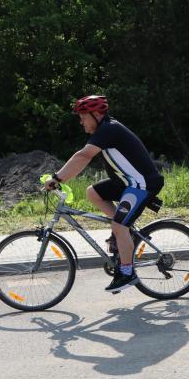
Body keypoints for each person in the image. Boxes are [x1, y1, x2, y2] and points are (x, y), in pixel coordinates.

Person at [45, 95, 165, 293]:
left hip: (142, 184)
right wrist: (60, 178)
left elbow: (83, 156)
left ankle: (127, 273)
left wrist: (57, 178)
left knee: (119, 225)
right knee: (92, 193)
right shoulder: (103, 130)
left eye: (83, 117)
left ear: (97, 114)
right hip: (128, 183)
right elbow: (83, 158)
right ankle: (124, 232)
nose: (81, 121)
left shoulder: (109, 129)